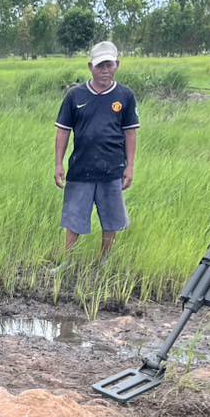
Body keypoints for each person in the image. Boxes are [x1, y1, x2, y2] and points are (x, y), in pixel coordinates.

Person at [54, 40, 140, 261]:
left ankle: (105, 260)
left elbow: (130, 133)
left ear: (117, 65)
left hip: (112, 168)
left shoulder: (125, 96)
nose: (105, 70)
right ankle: (67, 261)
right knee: (73, 218)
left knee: (111, 219)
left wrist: (130, 167)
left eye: (109, 65)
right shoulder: (75, 95)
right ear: (90, 67)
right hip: (80, 168)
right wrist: (58, 164)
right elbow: (63, 131)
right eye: (100, 65)